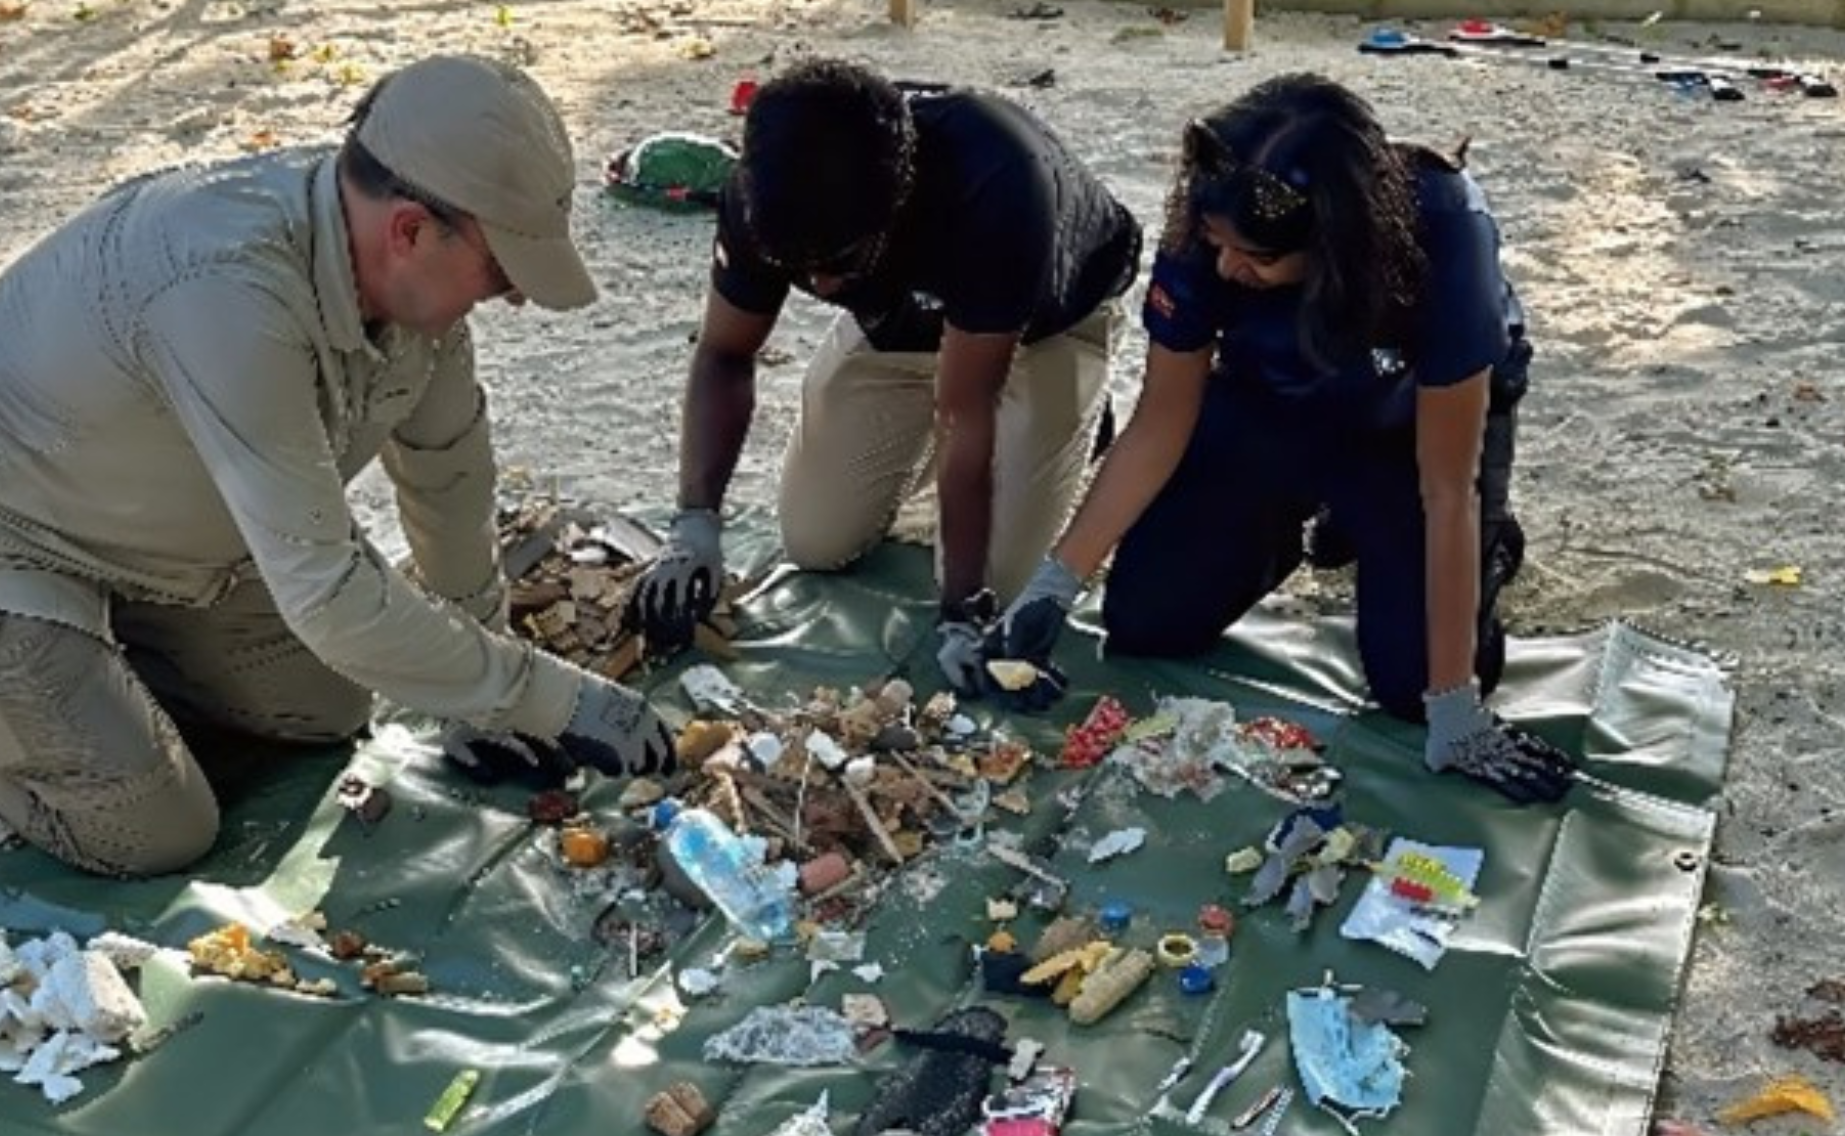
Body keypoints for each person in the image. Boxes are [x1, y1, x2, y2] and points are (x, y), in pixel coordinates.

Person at [0, 53, 674, 878]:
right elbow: (328, 594)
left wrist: (486, 678)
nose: (516, 296)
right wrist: (559, 698)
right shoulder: (228, 290)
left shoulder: (403, 282)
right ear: (412, 230)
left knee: (323, 708)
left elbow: (447, 472)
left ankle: (79, 678)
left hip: (150, 536)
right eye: (502, 271)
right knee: (147, 830)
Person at [983, 73, 1574, 804]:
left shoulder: (1448, 233)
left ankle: (1485, 550)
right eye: (1217, 246)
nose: (1229, 268)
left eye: (1257, 259)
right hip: (1272, 398)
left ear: (1333, 244)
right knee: (1145, 620)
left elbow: (1446, 488)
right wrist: (1055, 583)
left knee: (1413, 684)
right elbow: (1161, 419)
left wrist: (1455, 710)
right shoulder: (1211, 216)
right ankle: (1297, 527)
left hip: (1409, 430)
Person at [624, 58, 1142, 690]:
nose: (818, 285)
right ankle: (952, 431)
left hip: (1041, 325)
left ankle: (1084, 419)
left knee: (999, 583)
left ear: (897, 204)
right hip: (903, 323)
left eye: (838, 262)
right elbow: (725, 353)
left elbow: (964, 413)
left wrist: (959, 613)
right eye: (798, 268)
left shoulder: (995, 183)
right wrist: (694, 524)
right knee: (816, 540)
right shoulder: (760, 196)